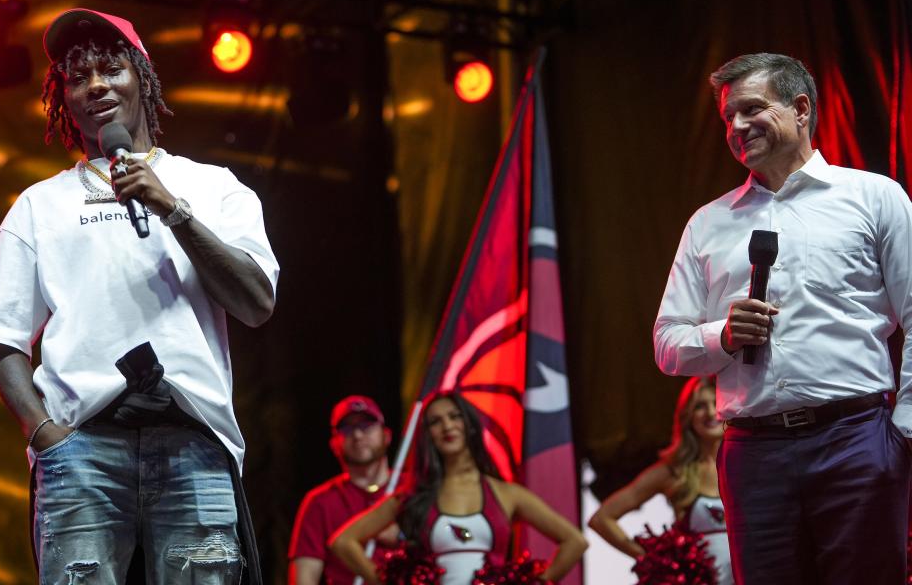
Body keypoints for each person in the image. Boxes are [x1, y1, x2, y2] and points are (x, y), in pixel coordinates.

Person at [0, 8, 279, 584]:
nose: (95, 86)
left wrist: (174, 210)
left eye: (110, 69)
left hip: (195, 439)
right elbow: (4, 343)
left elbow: (257, 303)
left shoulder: (214, 188)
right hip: (82, 450)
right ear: (64, 98)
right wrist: (46, 436)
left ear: (141, 75)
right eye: (77, 77)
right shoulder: (38, 206)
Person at [653, 52, 912, 584]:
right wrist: (721, 336)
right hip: (753, 454)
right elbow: (666, 343)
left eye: (751, 109)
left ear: (800, 109)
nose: (737, 127)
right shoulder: (708, 223)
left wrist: (904, 433)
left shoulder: (872, 197)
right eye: (728, 118)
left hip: (856, 439)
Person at [329, 391, 587, 585]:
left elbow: (574, 541)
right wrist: (388, 582)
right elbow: (343, 542)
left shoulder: (507, 494)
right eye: (435, 422)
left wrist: (536, 583)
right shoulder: (413, 496)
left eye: (455, 417)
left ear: (469, 425)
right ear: (427, 434)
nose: (447, 426)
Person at [589, 377, 731, 584]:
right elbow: (601, 519)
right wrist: (654, 558)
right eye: (700, 406)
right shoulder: (674, 471)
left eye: (715, 403)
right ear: (687, 416)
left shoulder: (746, 465)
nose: (710, 413)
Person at [289, 395, 400, 585]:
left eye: (366, 425)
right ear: (333, 444)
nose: (357, 435)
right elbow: (303, 578)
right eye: (347, 429)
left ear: (387, 435)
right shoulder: (320, 502)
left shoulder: (411, 488)